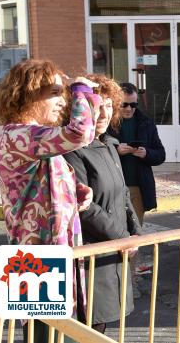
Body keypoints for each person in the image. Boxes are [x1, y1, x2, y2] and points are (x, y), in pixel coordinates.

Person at [0, 59, 100, 343]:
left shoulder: (34, 138)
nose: (62, 100)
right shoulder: (18, 135)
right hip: (35, 257)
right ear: (28, 95)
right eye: (54, 92)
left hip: (53, 251)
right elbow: (80, 134)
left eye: (63, 92)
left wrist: (76, 190)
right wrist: (80, 90)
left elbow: (43, 176)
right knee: (44, 336)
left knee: (62, 332)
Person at [64, 75, 142, 334]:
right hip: (91, 251)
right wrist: (123, 238)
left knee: (104, 321)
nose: (103, 113)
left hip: (114, 248)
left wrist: (136, 231)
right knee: (90, 323)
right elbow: (85, 207)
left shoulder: (108, 145)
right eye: (96, 105)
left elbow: (123, 194)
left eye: (109, 106)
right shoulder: (73, 150)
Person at [108, 82, 165, 226]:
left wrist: (146, 153)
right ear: (116, 102)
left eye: (133, 105)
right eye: (124, 105)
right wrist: (116, 151)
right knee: (115, 231)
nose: (129, 109)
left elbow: (160, 154)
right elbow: (94, 152)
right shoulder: (105, 122)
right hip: (113, 186)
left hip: (138, 187)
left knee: (135, 231)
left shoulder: (146, 123)